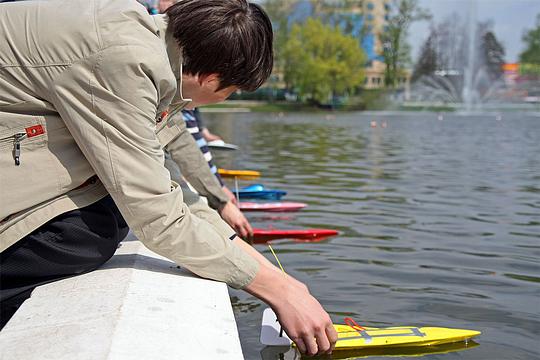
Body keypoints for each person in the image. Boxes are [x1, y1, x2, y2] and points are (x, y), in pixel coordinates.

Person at [0, 0, 337, 355]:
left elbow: (174, 191)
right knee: (88, 231)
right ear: (211, 79)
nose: (222, 100)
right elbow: (158, 216)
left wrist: (280, 281)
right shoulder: (125, 63)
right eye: (231, 92)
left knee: (105, 215)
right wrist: (276, 291)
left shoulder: (150, 45)